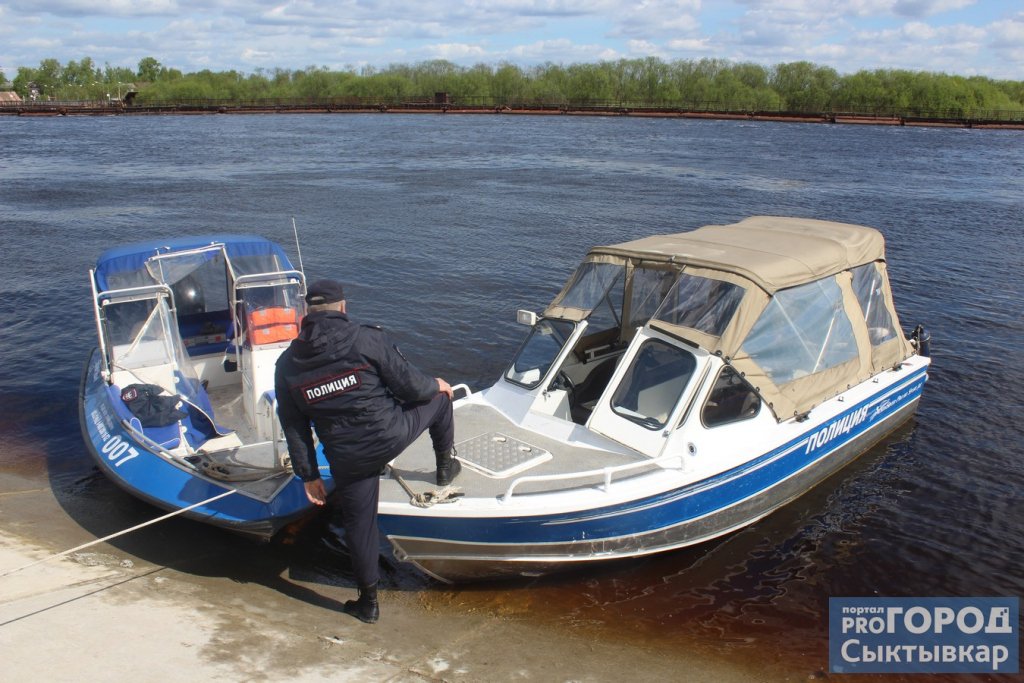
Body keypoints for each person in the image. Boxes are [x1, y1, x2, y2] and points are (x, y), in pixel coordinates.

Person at [275, 279, 460, 624]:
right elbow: (412, 387)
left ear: (306, 314)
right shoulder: (367, 338)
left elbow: (294, 427)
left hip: (348, 458)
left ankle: (368, 604)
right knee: (441, 398)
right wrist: (437, 384)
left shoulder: (287, 364)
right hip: (390, 435)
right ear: (343, 307)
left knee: (359, 525)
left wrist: (310, 475)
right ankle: (444, 467)